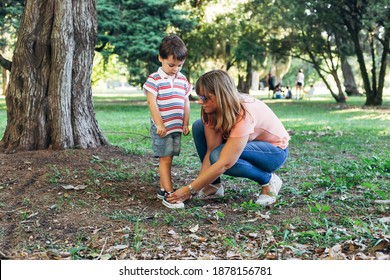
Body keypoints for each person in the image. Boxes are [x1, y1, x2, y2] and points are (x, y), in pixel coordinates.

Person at [165, 70, 290, 208]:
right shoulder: (211, 111)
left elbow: (225, 163)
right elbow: (210, 150)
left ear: (220, 96)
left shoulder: (244, 112)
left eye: (205, 98)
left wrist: (189, 189)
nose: (200, 102)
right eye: (200, 96)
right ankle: (214, 185)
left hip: (273, 153)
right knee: (199, 126)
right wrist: (196, 187)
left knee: (219, 156)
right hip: (248, 146)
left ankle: (269, 181)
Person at [143, 35, 192, 209]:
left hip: (176, 127)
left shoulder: (183, 80)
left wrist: (185, 122)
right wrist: (159, 124)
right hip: (163, 128)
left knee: (169, 158)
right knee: (165, 159)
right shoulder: (154, 79)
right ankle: (169, 194)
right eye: (171, 65)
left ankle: (163, 189)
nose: (175, 69)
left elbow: (186, 102)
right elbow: (152, 102)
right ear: (160, 58)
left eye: (179, 65)